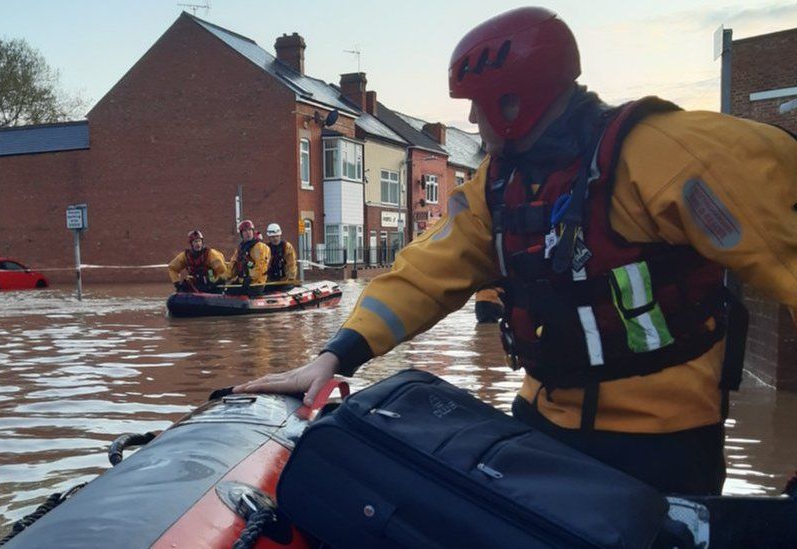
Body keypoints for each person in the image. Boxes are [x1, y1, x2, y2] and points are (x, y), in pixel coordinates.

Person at [236, 6, 797, 496]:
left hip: (664, 443)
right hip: (543, 427)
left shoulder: (667, 153)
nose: (473, 121)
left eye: (479, 106)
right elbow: (422, 277)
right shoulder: (495, 189)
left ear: (514, 102)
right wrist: (333, 358)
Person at [226, 220, 270, 296]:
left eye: (250, 230)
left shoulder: (259, 247)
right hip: (242, 281)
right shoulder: (240, 248)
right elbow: (233, 265)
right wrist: (225, 276)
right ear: (241, 234)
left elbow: (261, 266)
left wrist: (250, 277)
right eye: (245, 231)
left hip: (256, 283)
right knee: (228, 291)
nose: (248, 233)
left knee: (249, 294)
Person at [265, 222, 298, 292]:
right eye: (273, 237)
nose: (275, 238)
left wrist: (290, 279)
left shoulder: (286, 247)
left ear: (280, 235)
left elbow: (291, 265)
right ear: (269, 237)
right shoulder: (265, 248)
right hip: (270, 281)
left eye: (277, 236)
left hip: (285, 281)